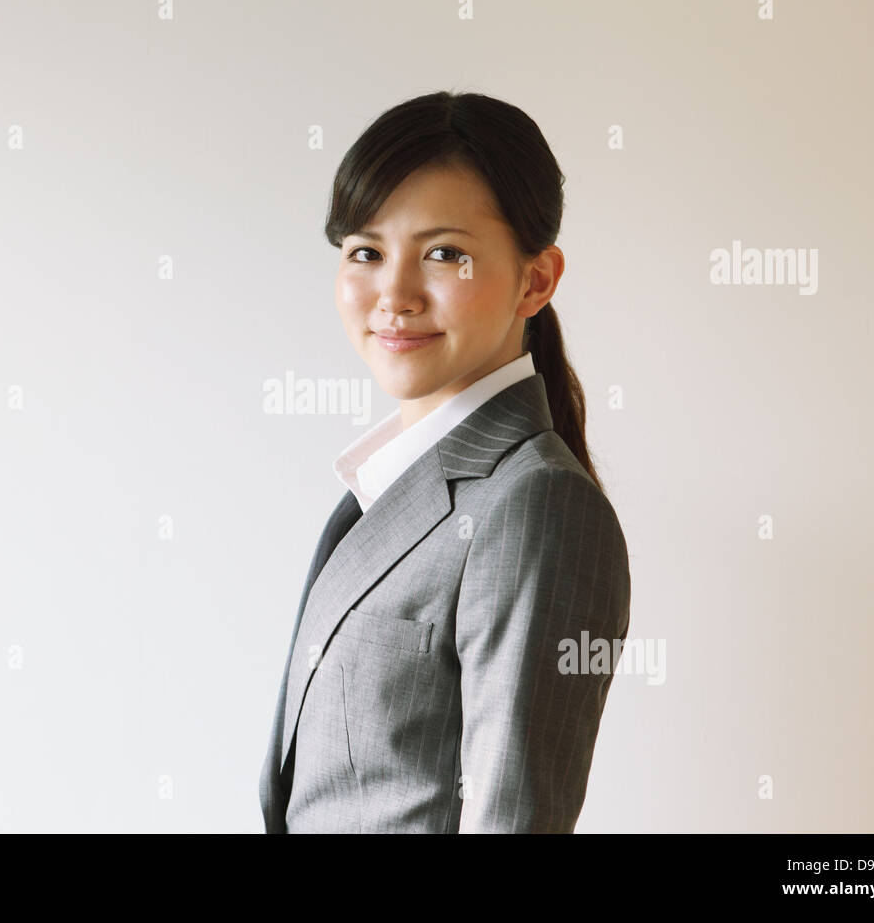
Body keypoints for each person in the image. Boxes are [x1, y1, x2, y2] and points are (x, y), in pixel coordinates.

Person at [259, 90, 631, 833]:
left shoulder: (536, 503)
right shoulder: (382, 486)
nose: (393, 295)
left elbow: (513, 819)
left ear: (537, 279)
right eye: (366, 251)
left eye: (444, 254)